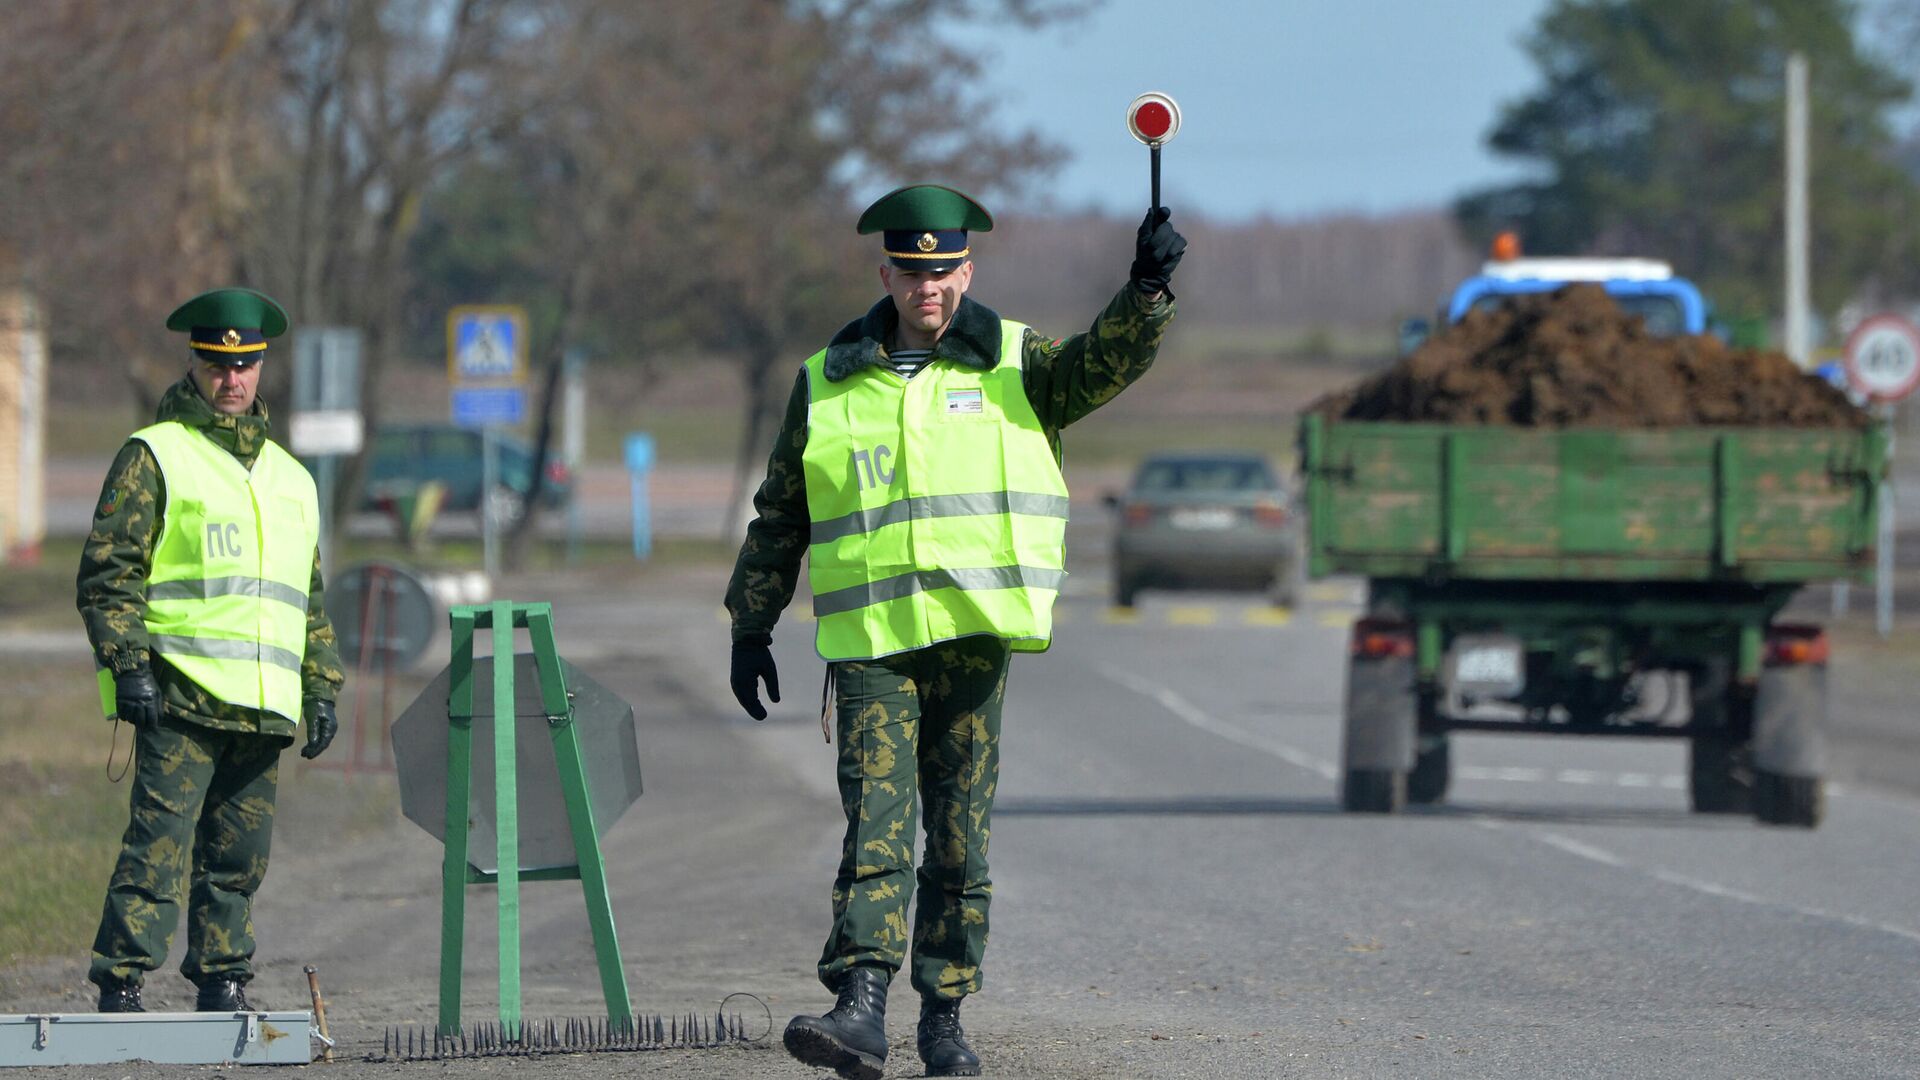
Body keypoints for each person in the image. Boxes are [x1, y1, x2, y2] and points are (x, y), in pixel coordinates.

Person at [724, 185, 1185, 1079]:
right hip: (871, 647)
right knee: (877, 827)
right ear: (884, 271)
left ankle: (945, 1016)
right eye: (911, 270)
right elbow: (782, 513)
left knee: (961, 837)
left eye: (943, 270)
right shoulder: (827, 379)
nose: (927, 286)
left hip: (972, 639)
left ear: (966, 271)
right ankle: (858, 1008)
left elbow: (1103, 366)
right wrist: (752, 624)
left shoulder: (1016, 362)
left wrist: (1146, 290)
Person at [78, 288, 344, 1014]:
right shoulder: (156, 454)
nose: (233, 378)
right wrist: (127, 665)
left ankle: (223, 979)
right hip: (181, 693)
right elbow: (109, 572)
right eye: (218, 363)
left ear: (263, 366)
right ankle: (122, 979)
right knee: (158, 849)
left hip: (262, 706)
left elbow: (307, 598)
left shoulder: (293, 477)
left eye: (247, 364)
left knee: (238, 861)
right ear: (196, 362)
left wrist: (321, 687)